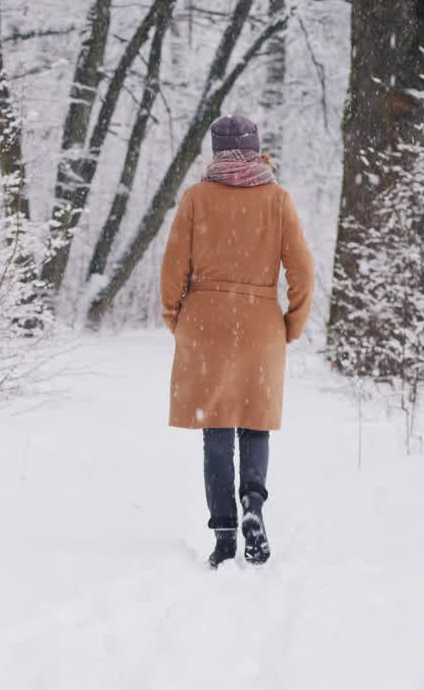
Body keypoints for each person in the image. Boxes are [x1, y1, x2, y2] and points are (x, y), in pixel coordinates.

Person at [159, 115, 315, 568]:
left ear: (215, 151)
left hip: (205, 323)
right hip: (261, 325)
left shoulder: (195, 198)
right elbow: (302, 270)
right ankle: (253, 502)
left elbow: (173, 268)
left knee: (216, 428)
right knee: (254, 421)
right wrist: (293, 323)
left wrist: (177, 319)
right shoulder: (277, 200)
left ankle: (224, 532)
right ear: (256, 149)